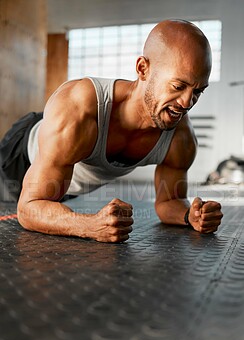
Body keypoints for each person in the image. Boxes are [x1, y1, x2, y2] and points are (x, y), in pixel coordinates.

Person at [0, 19, 223, 242]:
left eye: (198, 91)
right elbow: (28, 209)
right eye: (178, 86)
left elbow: (169, 202)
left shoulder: (180, 139)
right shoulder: (78, 110)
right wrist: (90, 226)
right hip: (21, 158)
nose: (187, 102)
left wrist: (190, 215)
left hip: (62, 182)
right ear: (143, 69)